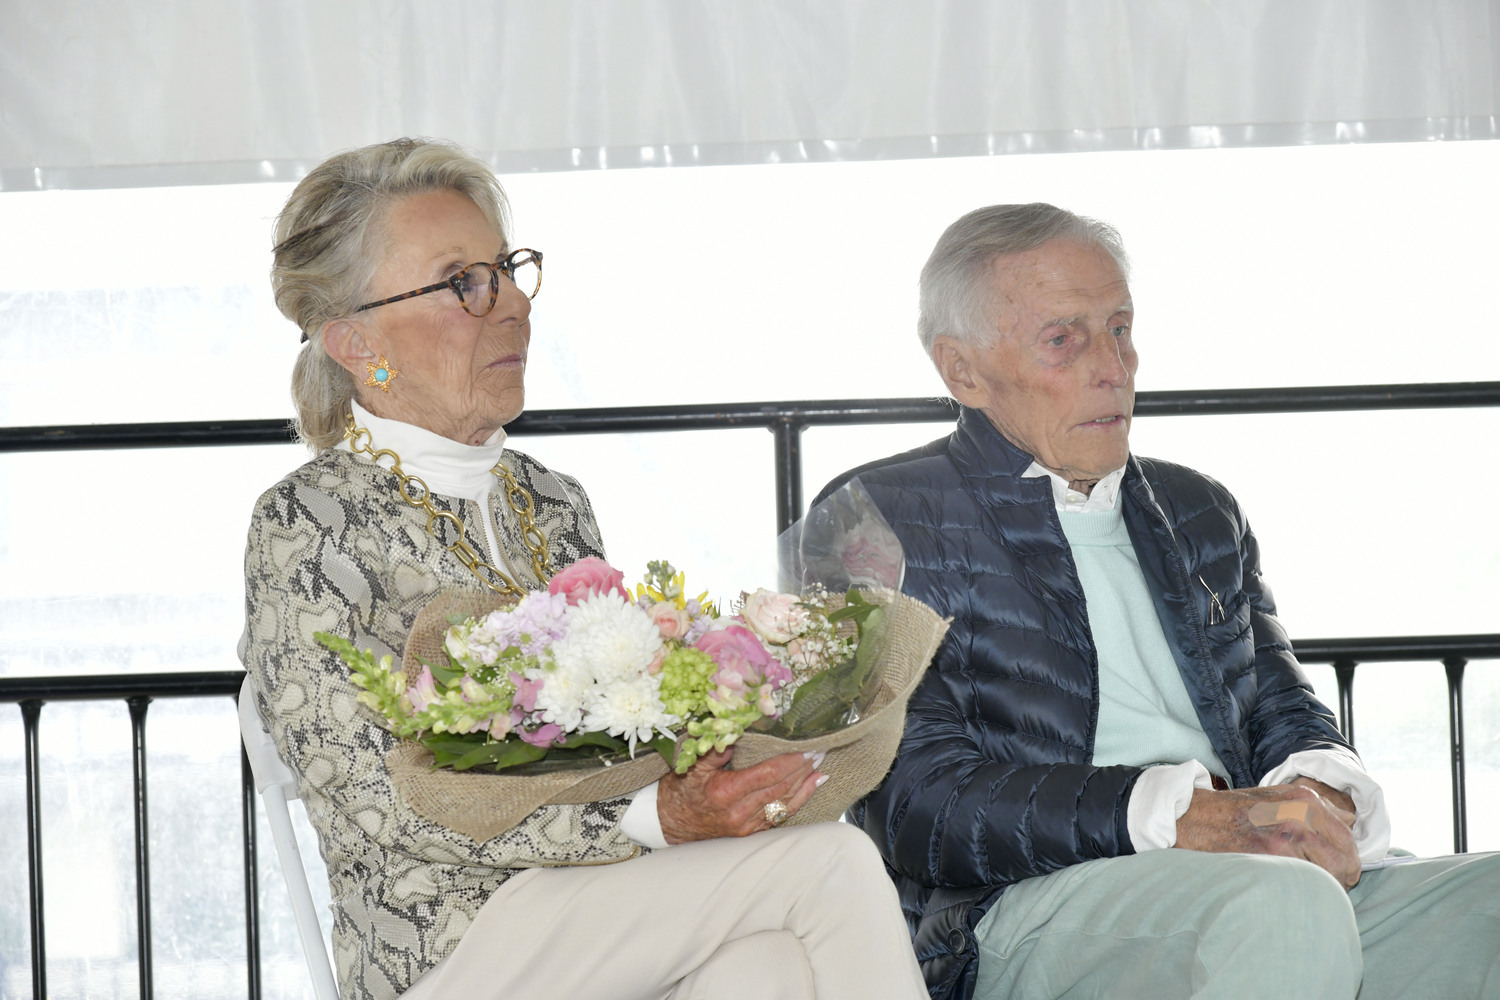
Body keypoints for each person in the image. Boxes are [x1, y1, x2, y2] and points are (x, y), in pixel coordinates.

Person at [238, 137, 927, 1000]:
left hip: (603, 906)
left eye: (509, 269)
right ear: (356, 342)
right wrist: (649, 819)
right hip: (447, 948)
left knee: (767, 967)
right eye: (464, 283)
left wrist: (712, 754)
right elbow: (376, 798)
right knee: (830, 865)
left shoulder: (552, 499)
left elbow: (616, 734)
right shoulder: (307, 523)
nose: (514, 305)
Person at [818, 203, 1500, 1000]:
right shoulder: (873, 517)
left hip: (1246, 874)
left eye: (1120, 328)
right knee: (1280, 905)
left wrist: (1320, 795)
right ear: (961, 370)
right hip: (1014, 910)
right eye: (1063, 339)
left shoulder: (1199, 508)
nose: (1113, 366)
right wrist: (1176, 815)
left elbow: (1284, 707)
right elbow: (915, 805)